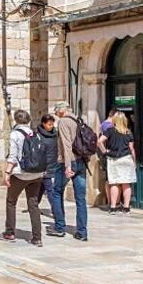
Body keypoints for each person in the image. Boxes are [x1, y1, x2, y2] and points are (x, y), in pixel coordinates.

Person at [0, 109, 45, 246]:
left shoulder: (15, 134)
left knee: (11, 202)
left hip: (20, 173)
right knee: (33, 204)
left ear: (16, 120)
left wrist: (7, 173)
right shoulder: (35, 133)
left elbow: (13, 156)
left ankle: (10, 232)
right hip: (36, 174)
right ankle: (37, 237)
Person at [47, 101, 88, 241]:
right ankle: (82, 232)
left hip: (67, 162)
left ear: (61, 111)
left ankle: (59, 227)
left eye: (56, 111)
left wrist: (68, 166)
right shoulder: (78, 120)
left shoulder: (64, 122)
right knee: (81, 199)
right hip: (81, 161)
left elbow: (66, 144)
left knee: (56, 192)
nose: (56, 114)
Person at [98, 110, 137, 214]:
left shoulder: (110, 131)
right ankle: (126, 207)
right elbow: (132, 148)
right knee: (126, 184)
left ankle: (113, 207)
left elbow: (99, 141)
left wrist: (105, 152)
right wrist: (134, 161)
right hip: (126, 159)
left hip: (113, 159)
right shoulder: (128, 132)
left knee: (114, 183)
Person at [35, 114, 59, 207]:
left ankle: (33, 206)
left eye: (52, 124)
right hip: (43, 166)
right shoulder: (37, 135)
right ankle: (56, 211)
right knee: (49, 189)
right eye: (49, 124)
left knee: (42, 187)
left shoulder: (55, 134)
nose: (51, 126)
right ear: (43, 124)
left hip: (53, 164)